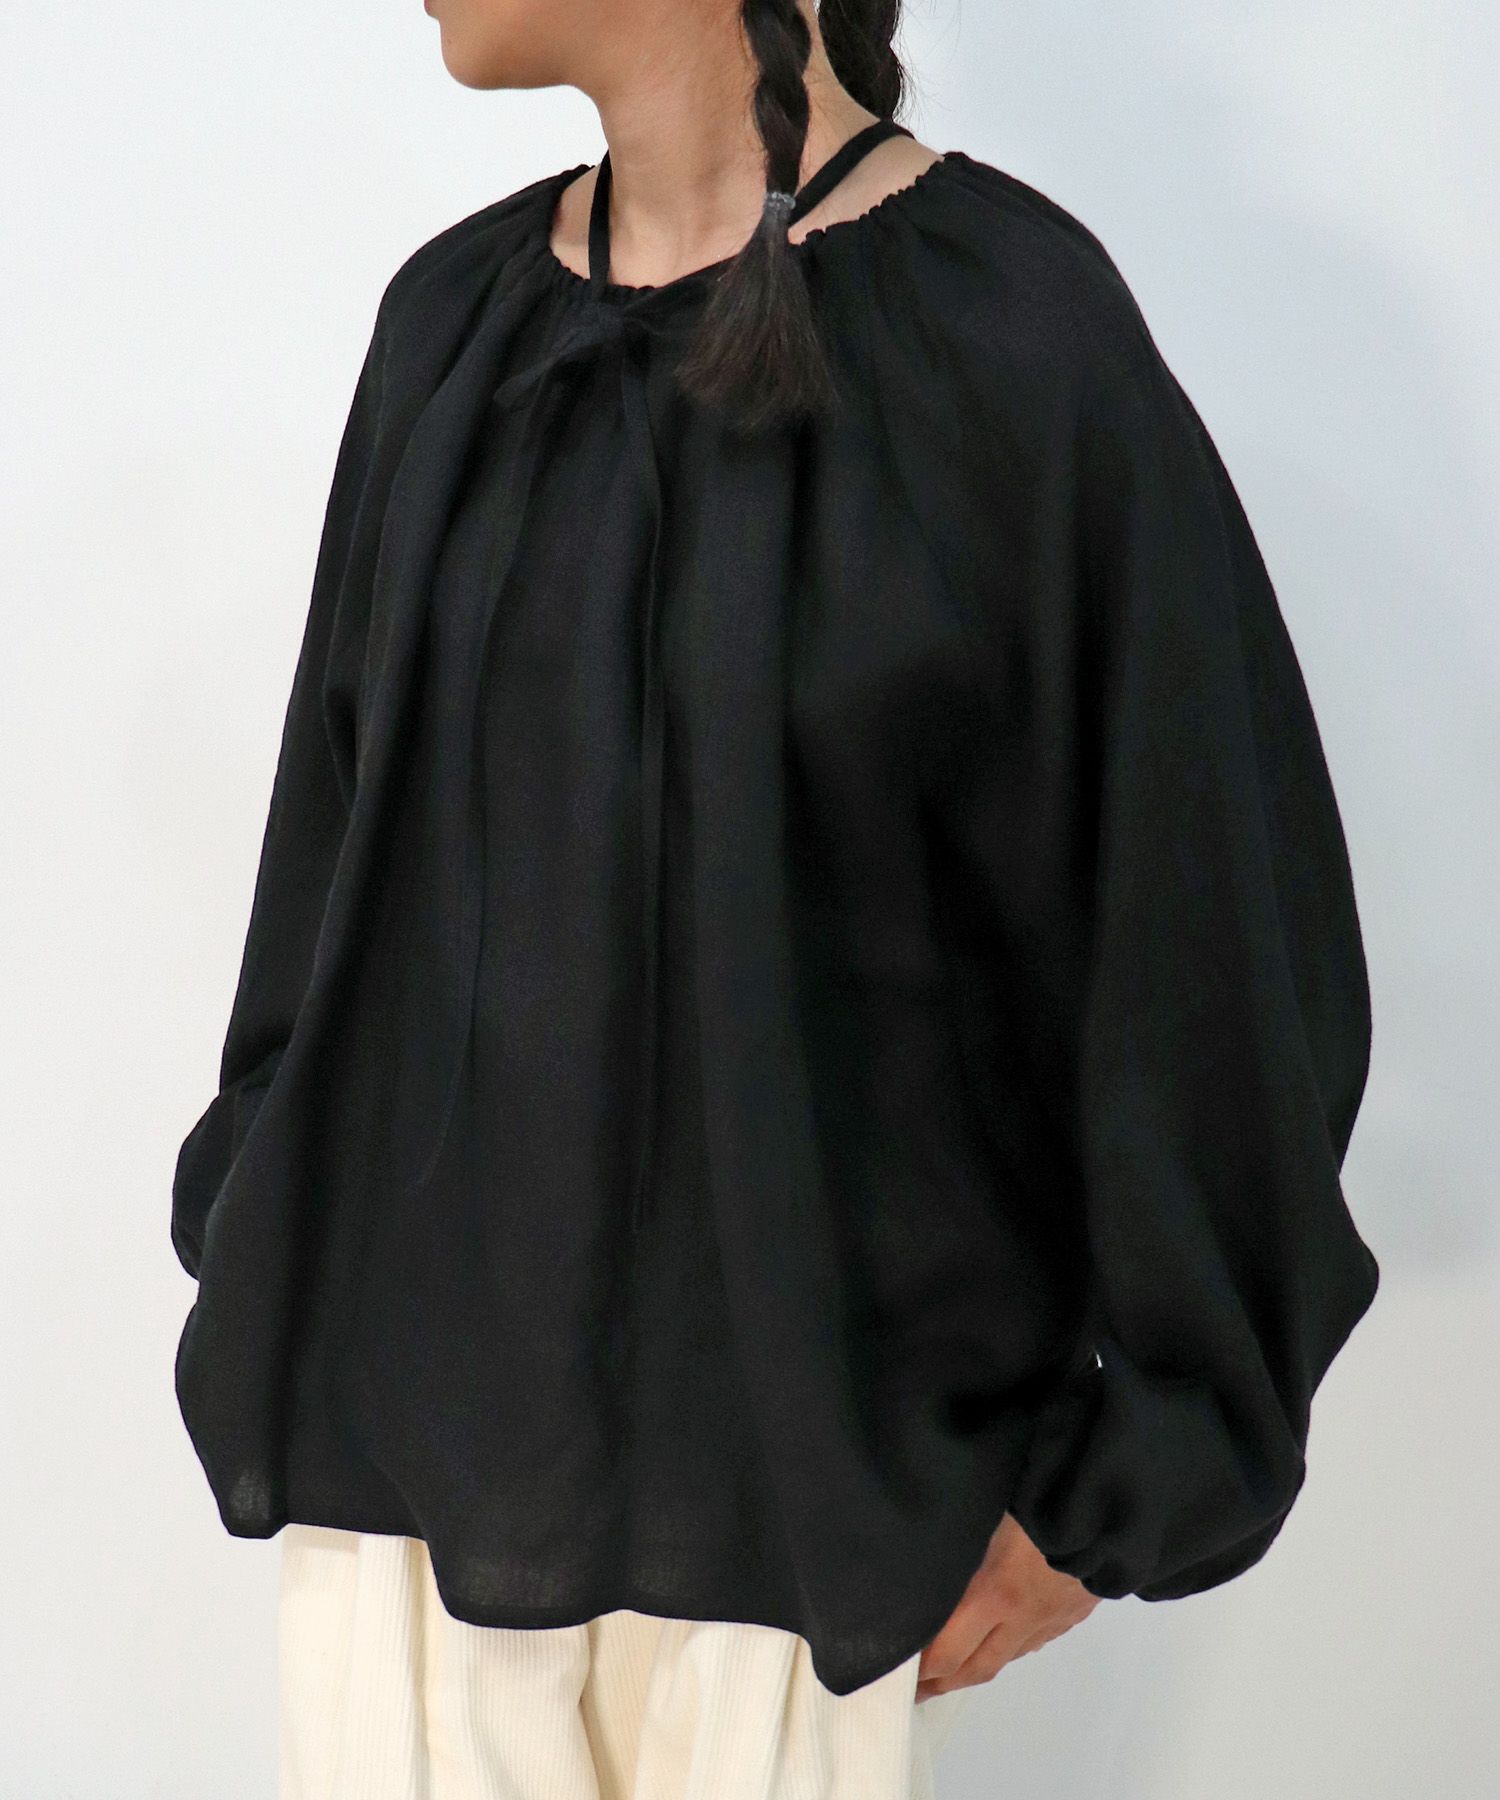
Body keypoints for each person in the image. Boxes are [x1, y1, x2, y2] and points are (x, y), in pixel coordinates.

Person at [168, 2, 1382, 1795]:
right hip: (399, 1523)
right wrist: (259, 1212)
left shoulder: (1009, 333)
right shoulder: (452, 329)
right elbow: (326, 889)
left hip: (791, 1557)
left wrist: (1133, 1475)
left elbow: (1215, 942)